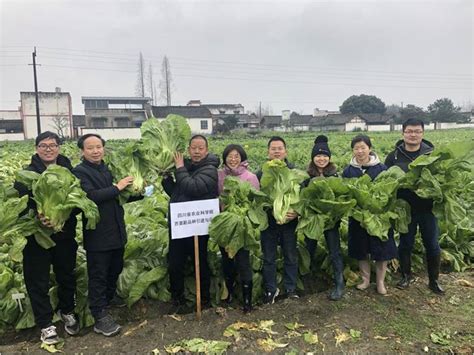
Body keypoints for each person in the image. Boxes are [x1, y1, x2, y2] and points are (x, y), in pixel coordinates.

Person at [14, 131, 79, 345]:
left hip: (64, 234)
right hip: (36, 236)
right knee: (37, 279)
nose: (48, 148)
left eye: (52, 144)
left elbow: (80, 202)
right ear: (36, 148)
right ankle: (45, 324)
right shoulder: (26, 175)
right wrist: (38, 216)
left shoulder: (70, 172)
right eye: (43, 145)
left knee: (66, 274)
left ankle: (67, 311)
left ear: (59, 147)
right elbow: (19, 205)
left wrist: (63, 215)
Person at [73, 133, 141, 337]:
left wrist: (138, 191)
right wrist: (117, 187)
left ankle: (108, 300)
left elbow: (118, 198)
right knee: (99, 274)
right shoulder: (79, 172)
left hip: (117, 230)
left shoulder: (108, 168)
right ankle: (99, 315)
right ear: (82, 151)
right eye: (90, 148)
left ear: (104, 148)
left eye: (99, 147)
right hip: (97, 234)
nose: (95, 151)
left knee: (115, 268)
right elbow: (91, 197)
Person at [385, 118, 444, 294]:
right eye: (409, 131)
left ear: (423, 133)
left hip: (428, 208)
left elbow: (441, 178)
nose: (413, 135)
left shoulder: (431, 155)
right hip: (405, 209)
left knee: (432, 244)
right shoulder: (393, 156)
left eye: (417, 131)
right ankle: (405, 276)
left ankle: (434, 281)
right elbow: (385, 180)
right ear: (403, 133)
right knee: (405, 244)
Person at [162, 135, 219, 314]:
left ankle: (205, 300)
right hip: (181, 224)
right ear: (189, 149)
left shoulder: (210, 169)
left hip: (198, 227)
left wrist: (179, 168)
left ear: (206, 150)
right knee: (175, 263)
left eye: (200, 148)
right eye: (193, 148)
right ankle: (177, 300)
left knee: (200, 262)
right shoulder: (187, 167)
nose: (196, 151)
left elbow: (192, 188)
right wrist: (166, 179)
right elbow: (177, 192)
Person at [342, 134, 397, 295]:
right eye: (356, 148)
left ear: (369, 149)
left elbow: (390, 193)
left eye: (363, 147)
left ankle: (380, 282)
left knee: (382, 250)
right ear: (353, 151)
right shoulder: (348, 171)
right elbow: (345, 194)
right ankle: (365, 280)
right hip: (358, 217)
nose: (360, 151)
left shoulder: (382, 169)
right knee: (361, 249)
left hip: (378, 217)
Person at [217, 144, 259, 313]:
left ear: (242, 158)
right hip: (224, 225)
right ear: (225, 158)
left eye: (236, 156)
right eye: (230, 156)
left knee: (243, 261)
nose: (233, 159)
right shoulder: (219, 176)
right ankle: (229, 294)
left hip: (243, 227)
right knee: (226, 261)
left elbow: (256, 203)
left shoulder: (250, 177)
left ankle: (247, 301)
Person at [302, 135, 345, 301]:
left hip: (330, 220)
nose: (322, 159)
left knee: (334, 250)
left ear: (329, 158)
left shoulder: (335, 176)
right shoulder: (306, 177)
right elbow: (303, 199)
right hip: (312, 220)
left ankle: (339, 283)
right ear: (313, 158)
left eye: (325, 156)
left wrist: (335, 212)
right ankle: (307, 281)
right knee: (308, 249)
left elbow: (342, 197)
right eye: (318, 156)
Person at [257, 136, 299, 304]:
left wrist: (296, 212)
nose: (276, 151)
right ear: (268, 152)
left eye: (279, 148)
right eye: (273, 149)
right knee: (269, 257)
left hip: (289, 221)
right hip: (269, 222)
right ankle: (270, 289)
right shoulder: (261, 173)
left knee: (290, 255)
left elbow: (302, 198)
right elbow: (257, 198)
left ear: (285, 151)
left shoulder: (294, 172)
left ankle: (291, 289)